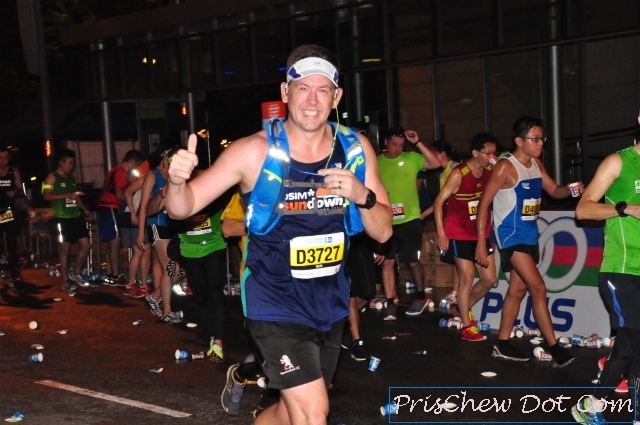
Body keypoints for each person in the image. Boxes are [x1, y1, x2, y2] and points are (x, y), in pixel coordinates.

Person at [165, 45, 392, 424]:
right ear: (285, 92)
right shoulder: (253, 152)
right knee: (314, 414)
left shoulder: (355, 149)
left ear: (336, 97)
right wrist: (176, 182)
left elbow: (383, 232)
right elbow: (181, 207)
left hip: (330, 304)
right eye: (303, 88)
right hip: (274, 304)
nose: (312, 101)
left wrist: (362, 195)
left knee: (290, 410)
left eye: (322, 90)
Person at [475, 116, 579, 367]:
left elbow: (554, 191)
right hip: (510, 237)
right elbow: (483, 204)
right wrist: (481, 241)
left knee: (517, 290)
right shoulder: (505, 167)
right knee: (538, 288)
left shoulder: (536, 163)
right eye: (536, 139)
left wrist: (572, 189)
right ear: (519, 141)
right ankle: (555, 349)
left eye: (542, 138)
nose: (541, 143)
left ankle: (502, 344)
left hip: (530, 235)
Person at [571, 122, 640, 424]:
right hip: (621, 270)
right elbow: (583, 210)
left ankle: (590, 406)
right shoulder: (618, 162)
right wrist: (625, 208)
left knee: (626, 349)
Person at [434, 133, 498, 342]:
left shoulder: (490, 171)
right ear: (475, 153)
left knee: (490, 279)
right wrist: (441, 233)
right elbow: (438, 203)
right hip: (459, 232)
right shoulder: (458, 174)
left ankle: (463, 307)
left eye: (494, 153)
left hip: (481, 233)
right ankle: (467, 326)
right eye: (487, 153)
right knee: (467, 278)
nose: (491, 157)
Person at [377, 127, 440, 319]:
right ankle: (389, 302)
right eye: (394, 144)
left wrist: (417, 142)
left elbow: (435, 163)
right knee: (387, 262)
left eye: (401, 145)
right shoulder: (376, 162)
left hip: (410, 219)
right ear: (386, 142)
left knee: (412, 261)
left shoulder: (412, 158)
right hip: (386, 220)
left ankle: (420, 296)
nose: (397, 148)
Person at [141, 146, 183, 323]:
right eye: (173, 158)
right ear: (166, 157)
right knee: (170, 267)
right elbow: (144, 206)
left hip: (173, 226)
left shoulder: (177, 175)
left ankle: (154, 296)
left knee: (179, 268)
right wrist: (140, 233)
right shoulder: (153, 176)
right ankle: (167, 310)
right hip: (157, 224)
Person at [42, 148, 93, 292]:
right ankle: (65, 280)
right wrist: (64, 196)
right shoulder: (51, 178)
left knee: (86, 246)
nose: (72, 166)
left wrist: (84, 209)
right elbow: (46, 196)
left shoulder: (71, 178)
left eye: (73, 163)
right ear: (61, 163)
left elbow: (75, 196)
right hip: (62, 218)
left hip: (75, 215)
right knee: (66, 249)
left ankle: (76, 273)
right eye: (70, 163)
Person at [96, 150, 143, 286]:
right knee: (116, 242)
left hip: (105, 207)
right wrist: (131, 204)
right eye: (137, 165)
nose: (136, 168)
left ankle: (111, 273)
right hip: (110, 207)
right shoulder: (122, 172)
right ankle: (116, 275)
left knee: (112, 243)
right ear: (132, 162)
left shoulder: (114, 170)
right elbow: (119, 193)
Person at [432, 141, 461, 305]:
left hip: (461, 221)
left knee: (460, 259)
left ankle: (460, 294)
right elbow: (441, 202)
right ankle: (455, 292)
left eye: (433, 154)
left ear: (442, 154)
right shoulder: (443, 174)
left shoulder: (456, 169)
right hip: (450, 219)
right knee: (454, 259)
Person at [122, 160, 152, 298]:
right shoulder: (146, 177)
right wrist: (133, 213)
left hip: (142, 216)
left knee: (147, 250)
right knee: (139, 251)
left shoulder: (152, 177)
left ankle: (143, 284)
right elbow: (127, 192)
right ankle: (130, 284)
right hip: (132, 215)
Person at [0, 145, 24, 281]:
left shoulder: (13, 172)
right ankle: (2, 268)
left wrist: (15, 192)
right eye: (0, 158)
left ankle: (13, 271)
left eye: (5, 158)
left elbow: (21, 191)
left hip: (7, 211)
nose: (3, 161)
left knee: (11, 242)